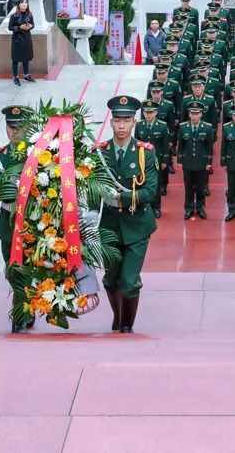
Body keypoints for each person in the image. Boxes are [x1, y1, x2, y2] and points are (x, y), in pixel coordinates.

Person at [98, 95, 160, 333]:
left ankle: (127, 326)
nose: (121, 126)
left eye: (126, 120)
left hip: (136, 226)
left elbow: (151, 192)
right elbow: (94, 191)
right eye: (117, 120)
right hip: (110, 225)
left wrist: (119, 197)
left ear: (134, 122)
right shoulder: (101, 153)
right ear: (111, 122)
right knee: (111, 280)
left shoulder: (145, 153)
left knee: (129, 281)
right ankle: (117, 317)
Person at [0, 105, 33, 332]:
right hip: (8, 222)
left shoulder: (38, 155)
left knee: (27, 268)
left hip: (33, 221)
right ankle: (27, 305)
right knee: (12, 269)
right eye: (10, 127)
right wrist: (3, 190)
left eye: (19, 127)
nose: (14, 132)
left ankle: (20, 319)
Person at [177, 100, 215, 220]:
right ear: (189, 114)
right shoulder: (183, 128)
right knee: (188, 188)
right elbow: (181, 145)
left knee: (200, 188)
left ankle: (200, 208)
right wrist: (180, 160)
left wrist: (209, 163)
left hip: (201, 163)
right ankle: (188, 208)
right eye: (192, 113)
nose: (194, 116)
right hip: (188, 162)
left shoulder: (207, 128)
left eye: (197, 113)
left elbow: (209, 147)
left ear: (201, 114)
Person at [135, 101, 172, 219]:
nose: (149, 114)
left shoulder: (162, 126)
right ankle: (146, 207)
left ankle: (156, 207)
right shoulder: (139, 125)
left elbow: (166, 145)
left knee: (156, 185)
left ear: (156, 112)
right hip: (142, 160)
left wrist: (166, 161)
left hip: (157, 160)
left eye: (151, 112)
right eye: (146, 112)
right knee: (143, 184)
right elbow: (136, 143)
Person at [8, 0, 35, 85]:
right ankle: (15, 76)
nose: (24, 4)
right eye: (22, 3)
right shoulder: (14, 16)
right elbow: (10, 27)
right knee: (15, 59)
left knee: (26, 58)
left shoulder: (30, 14)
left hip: (27, 39)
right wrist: (20, 27)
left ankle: (26, 75)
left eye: (26, 3)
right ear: (19, 5)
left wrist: (30, 26)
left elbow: (33, 24)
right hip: (17, 40)